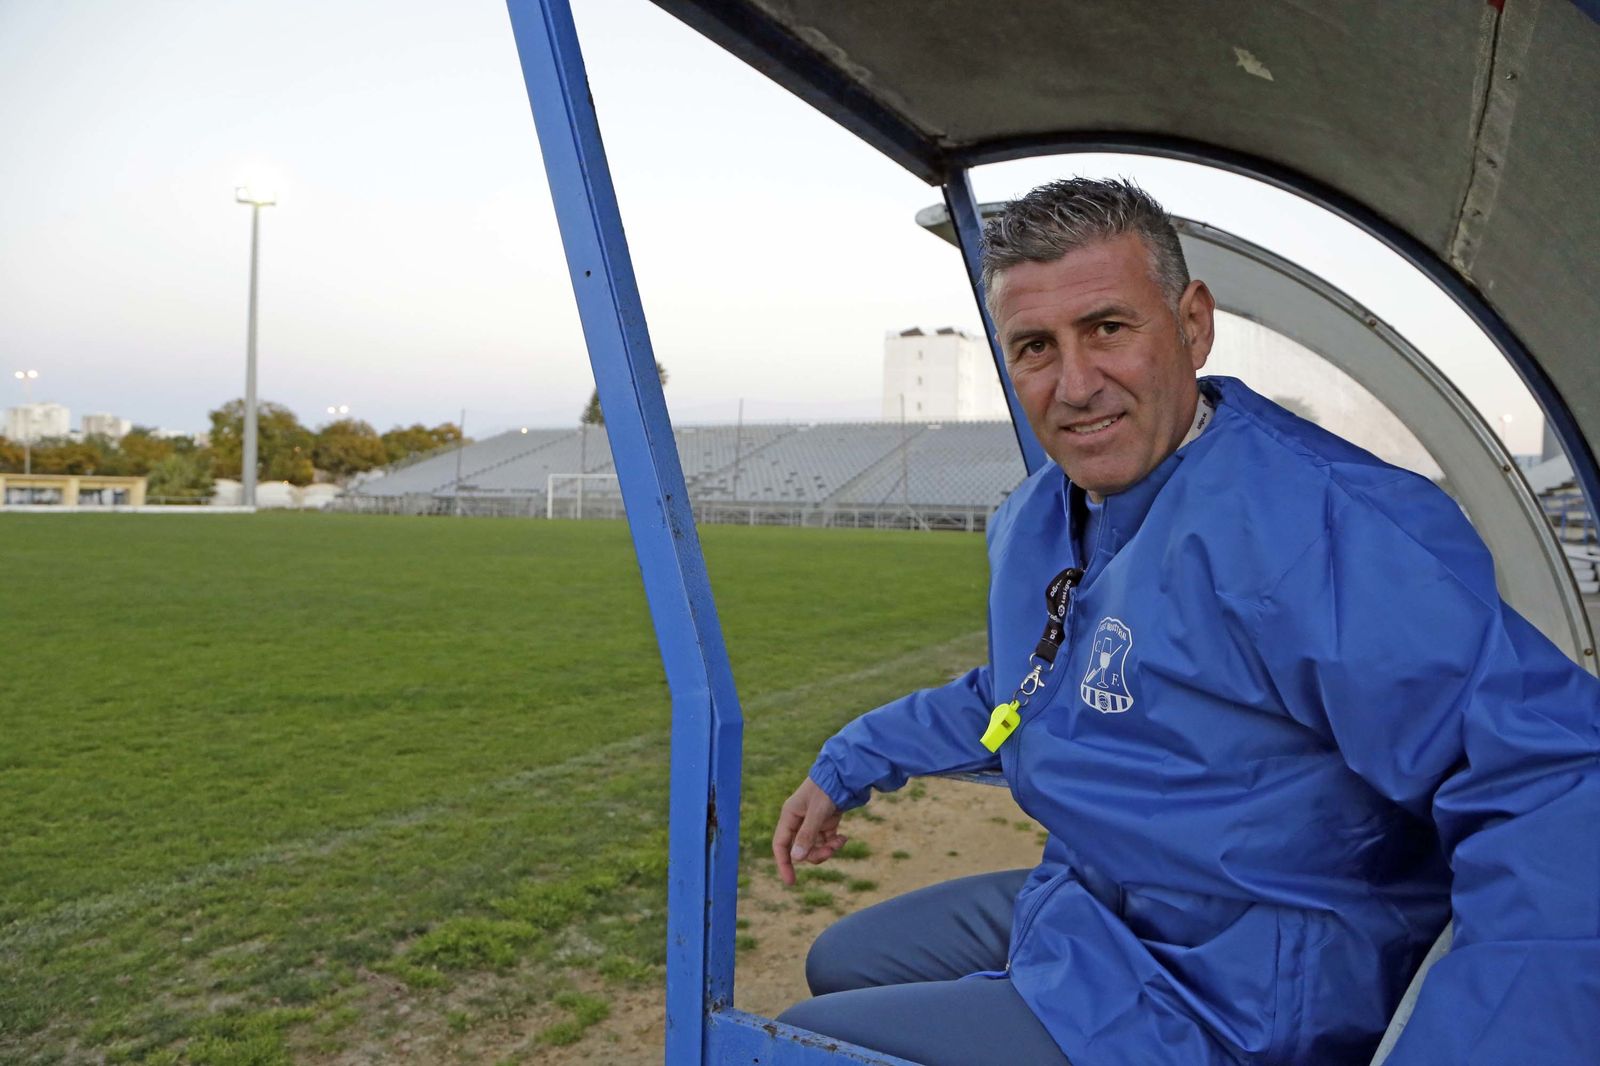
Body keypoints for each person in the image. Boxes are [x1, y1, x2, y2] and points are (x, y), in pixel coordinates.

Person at [770, 178, 1600, 1066]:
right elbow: (1027, 691)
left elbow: (1553, 787)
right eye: (1035, 347)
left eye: (1109, 329)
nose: (1077, 383)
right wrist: (850, 760)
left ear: (1192, 325)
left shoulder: (1322, 530)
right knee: (843, 959)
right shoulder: (1040, 517)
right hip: (1103, 901)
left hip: (1245, 984)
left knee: (799, 1051)